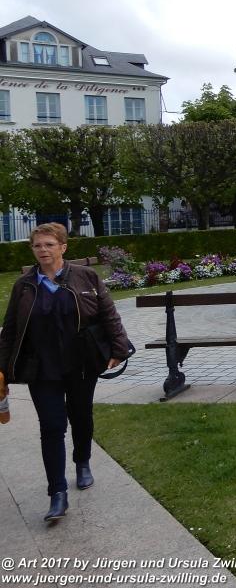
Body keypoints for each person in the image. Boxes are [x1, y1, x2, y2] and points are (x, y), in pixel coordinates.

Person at [0, 223, 132, 523]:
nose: (43, 250)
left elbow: (108, 313)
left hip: (81, 363)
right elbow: (10, 330)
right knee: (51, 427)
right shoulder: (24, 285)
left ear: (63, 247)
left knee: (81, 416)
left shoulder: (86, 277)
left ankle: (82, 461)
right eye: (37, 246)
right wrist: (3, 368)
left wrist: (118, 349)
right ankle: (57, 493)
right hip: (41, 368)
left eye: (49, 244)